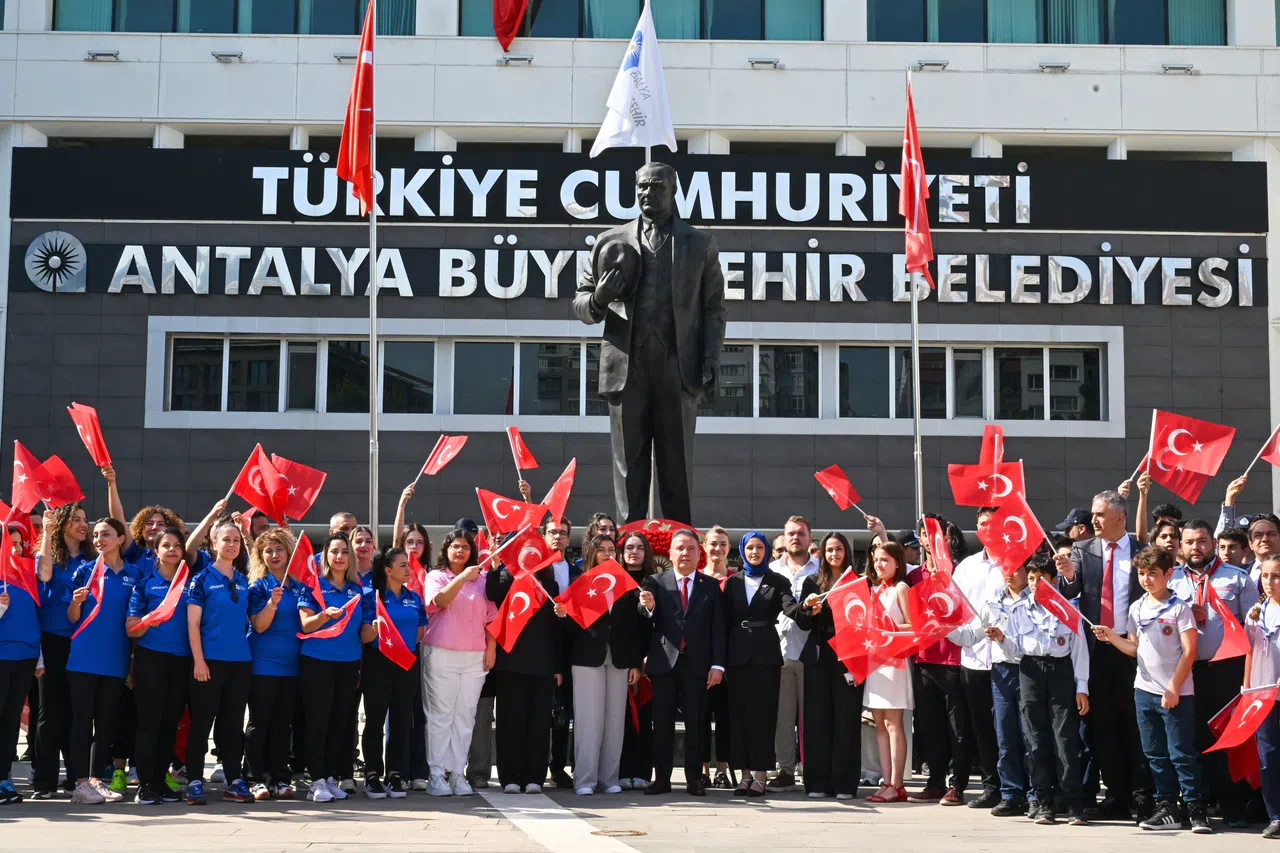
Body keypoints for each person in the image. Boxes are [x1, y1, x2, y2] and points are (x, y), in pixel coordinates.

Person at [1092, 546, 1209, 833]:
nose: (1146, 579)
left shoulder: (1180, 608)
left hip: (1176, 692)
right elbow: (1133, 648)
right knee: (1155, 754)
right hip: (1143, 691)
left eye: (1152, 574)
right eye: (1142, 574)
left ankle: (1196, 809)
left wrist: (1173, 688)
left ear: (1168, 574)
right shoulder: (1137, 607)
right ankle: (1167, 807)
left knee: (1181, 753)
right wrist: (1110, 638)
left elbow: (1189, 651)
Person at [1057, 490, 1153, 821]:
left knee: (1136, 725)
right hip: (1097, 650)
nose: (1092, 520)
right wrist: (1068, 573)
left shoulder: (1141, 551)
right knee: (1104, 726)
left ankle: (1142, 795)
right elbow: (1070, 590)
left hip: (1133, 650)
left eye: (1099, 514)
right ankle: (1115, 794)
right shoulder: (1083, 550)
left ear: (1120, 517)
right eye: (1093, 514)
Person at [1168, 519, 1257, 828]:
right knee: (1191, 738)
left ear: (1212, 542)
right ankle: (1198, 804)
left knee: (1227, 738)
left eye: (1202, 541)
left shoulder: (1238, 578)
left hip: (1226, 670)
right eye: (1190, 542)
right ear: (1181, 545)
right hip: (1187, 670)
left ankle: (1232, 805)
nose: (1196, 547)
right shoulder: (1172, 580)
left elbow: (1252, 627)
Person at [637, 529, 725, 796]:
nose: (685, 553)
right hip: (664, 664)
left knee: (696, 723)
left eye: (690, 548)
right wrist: (648, 607)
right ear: (670, 553)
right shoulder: (655, 581)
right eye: (680, 548)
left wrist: (718, 665)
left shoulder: (709, 585)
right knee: (661, 722)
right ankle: (661, 777)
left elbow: (718, 628)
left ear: (699, 553)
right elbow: (646, 620)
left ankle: (694, 778)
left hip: (698, 665)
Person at [64, 518, 141, 804]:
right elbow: (71, 618)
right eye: (95, 535)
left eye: (106, 534)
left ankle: (96, 780)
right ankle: (79, 783)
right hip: (83, 658)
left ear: (121, 539)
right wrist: (76, 602)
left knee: (106, 723)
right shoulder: (84, 571)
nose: (99, 539)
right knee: (82, 722)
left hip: (115, 659)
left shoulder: (134, 575)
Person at [951, 549, 1032, 818]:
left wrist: (1004, 640)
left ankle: (1037, 794)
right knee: (1005, 733)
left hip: (1029, 671)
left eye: (1016, 569)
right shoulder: (992, 604)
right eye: (1006, 570)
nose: (1010, 575)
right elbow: (970, 635)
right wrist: (942, 628)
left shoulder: (1037, 603)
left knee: (1030, 735)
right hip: (1000, 672)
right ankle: (1010, 793)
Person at [183, 512, 253, 805]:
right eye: (226, 539)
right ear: (213, 543)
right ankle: (195, 780)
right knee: (201, 723)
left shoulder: (243, 580)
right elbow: (192, 624)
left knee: (232, 724)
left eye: (236, 540)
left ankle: (234, 779)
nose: (232, 544)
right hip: (209, 662)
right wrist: (199, 661)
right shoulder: (201, 579)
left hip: (240, 662)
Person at [563, 534, 641, 796]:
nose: (608, 554)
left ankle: (609, 779)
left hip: (618, 660)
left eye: (611, 550)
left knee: (614, 721)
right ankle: (585, 780)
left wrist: (634, 664)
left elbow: (632, 628)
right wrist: (563, 615)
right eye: (602, 550)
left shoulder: (625, 585)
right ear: (592, 553)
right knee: (588, 721)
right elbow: (570, 627)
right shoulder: (580, 583)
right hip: (587, 658)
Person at [1016, 552, 1090, 826]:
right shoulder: (1019, 609)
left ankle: (1073, 803)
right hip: (1030, 670)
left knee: (1065, 738)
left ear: (1055, 580)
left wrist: (1082, 687)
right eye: (1032, 579)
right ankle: (1044, 801)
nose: (1035, 584)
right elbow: (1013, 649)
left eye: (1041, 579)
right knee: (1036, 739)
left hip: (1060, 671)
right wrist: (1000, 639)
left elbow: (1079, 651)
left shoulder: (1069, 610)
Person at [487, 532, 563, 796]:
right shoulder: (508, 580)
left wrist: (557, 666)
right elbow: (491, 592)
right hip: (511, 662)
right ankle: (510, 777)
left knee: (539, 723)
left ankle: (534, 778)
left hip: (542, 664)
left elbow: (556, 631)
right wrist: (496, 564)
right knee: (510, 721)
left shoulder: (550, 587)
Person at [723, 531, 797, 799]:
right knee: (739, 716)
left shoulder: (778, 581)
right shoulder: (733, 582)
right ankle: (744, 776)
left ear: (767, 550)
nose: (755, 552)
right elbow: (723, 621)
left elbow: (793, 610)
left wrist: (810, 607)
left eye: (759, 547)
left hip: (766, 656)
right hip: (737, 657)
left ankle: (761, 775)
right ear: (743, 551)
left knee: (764, 717)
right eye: (750, 548)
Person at [298, 532, 370, 804]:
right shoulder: (314, 585)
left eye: (343, 552)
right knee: (318, 722)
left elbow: (363, 631)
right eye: (334, 552)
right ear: (325, 556)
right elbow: (305, 625)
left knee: (340, 723)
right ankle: (315, 780)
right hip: (317, 661)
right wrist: (323, 616)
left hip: (349, 663)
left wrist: (374, 629)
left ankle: (329, 777)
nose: (339, 557)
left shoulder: (356, 587)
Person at [421, 529, 494, 797]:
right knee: (441, 716)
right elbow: (439, 601)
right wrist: (462, 577)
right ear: (446, 549)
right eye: (455, 546)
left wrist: (491, 647)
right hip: (441, 652)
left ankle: (456, 773)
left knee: (465, 717)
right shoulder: (436, 576)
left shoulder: (482, 580)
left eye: (465, 547)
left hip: (474, 656)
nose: (461, 551)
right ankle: (436, 774)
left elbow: (490, 618)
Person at [908, 513, 971, 806]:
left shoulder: (962, 572)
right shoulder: (913, 576)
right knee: (929, 725)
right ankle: (934, 781)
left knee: (957, 727)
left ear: (947, 536)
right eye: (925, 533)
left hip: (955, 659)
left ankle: (957, 783)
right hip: (923, 659)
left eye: (937, 532)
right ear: (920, 539)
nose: (931, 538)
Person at [33, 504, 94, 799]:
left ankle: (75, 779)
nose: (84, 525)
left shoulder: (92, 559)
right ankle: (44, 781)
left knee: (79, 712)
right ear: (63, 525)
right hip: (53, 640)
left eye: (86, 520)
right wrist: (45, 531)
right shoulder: (49, 557)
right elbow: (43, 576)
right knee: (50, 712)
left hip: (83, 641)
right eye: (77, 520)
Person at [126, 526, 190, 805]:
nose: (173, 549)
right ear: (157, 551)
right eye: (167, 545)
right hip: (151, 659)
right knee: (149, 724)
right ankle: (145, 785)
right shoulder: (145, 584)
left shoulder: (191, 583)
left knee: (169, 724)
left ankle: (161, 781)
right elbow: (131, 628)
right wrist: (149, 619)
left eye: (178, 545)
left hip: (182, 661)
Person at [795, 532, 862, 800]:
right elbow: (803, 622)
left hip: (848, 657)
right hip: (818, 657)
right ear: (823, 553)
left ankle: (845, 783)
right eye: (830, 550)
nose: (834, 554)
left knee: (846, 721)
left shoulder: (857, 582)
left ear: (846, 551)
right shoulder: (813, 582)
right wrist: (809, 609)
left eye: (839, 549)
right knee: (816, 720)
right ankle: (818, 783)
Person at [947, 507, 1005, 810]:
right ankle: (991, 786)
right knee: (982, 727)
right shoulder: (967, 567)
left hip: (1006, 657)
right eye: (982, 524)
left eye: (992, 524)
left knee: (1009, 727)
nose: (986, 528)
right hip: (972, 658)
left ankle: (1016, 788)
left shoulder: (1012, 563)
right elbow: (953, 609)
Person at [359, 547, 427, 800]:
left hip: (406, 663)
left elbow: (420, 633)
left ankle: (395, 774)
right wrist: (375, 629)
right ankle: (372, 774)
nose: (409, 569)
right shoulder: (371, 598)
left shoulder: (414, 597)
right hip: (378, 663)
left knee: (401, 720)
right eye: (402, 565)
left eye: (408, 565)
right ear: (388, 571)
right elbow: (365, 636)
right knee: (375, 720)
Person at [244, 527, 303, 801]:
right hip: (262, 665)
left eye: (279, 549)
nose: (274, 555)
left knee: (283, 724)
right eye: (268, 550)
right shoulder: (257, 588)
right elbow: (259, 625)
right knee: (259, 724)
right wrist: (271, 603)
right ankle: (254, 777)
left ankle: (281, 777)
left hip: (292, 666)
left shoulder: (300, 587)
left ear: (288, 552)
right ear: (261, 556)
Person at [768, 515, 817, 792]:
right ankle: (785, 770)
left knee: (812, 717)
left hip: (813, 654)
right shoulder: (771, 571)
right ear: (784, 539)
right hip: (779, 653)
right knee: (782, 718)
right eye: (790, 534)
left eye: (800, 533)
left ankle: (812, 768)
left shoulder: (820, 570)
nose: (795, 538)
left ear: (810, 538)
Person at [862, 541, 913, 805]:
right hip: (876, 663)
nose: (879, 564)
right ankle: (886, 781)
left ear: (897, 563)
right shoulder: (872, 591)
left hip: (895, 662)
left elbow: (913, 625)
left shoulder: (900, 589)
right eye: (877, 560)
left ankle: (898, 784)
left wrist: (888, 629)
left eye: (885, 560)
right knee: (879, 724)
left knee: (894, 724)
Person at [0, 516, 41, 805]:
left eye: (18, 544)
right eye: (8, 544)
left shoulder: (27, 576)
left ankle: (4, 778)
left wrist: (39, 658)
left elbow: (35, 618)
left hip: (25, 657)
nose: (14, 549)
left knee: (10, 721)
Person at [539, 516, 577, 790]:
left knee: (564, 713)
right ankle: (538, 765)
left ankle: (559, 767)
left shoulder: (578, 571)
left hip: (573, 648)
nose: (558, 537)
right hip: (544, 648)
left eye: (563, 533)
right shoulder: (538, 571)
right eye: (552, 532)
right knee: (544, 712)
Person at [617, 531, 657, 790]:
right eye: (629, 547)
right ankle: (621, 771)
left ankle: (642, 770)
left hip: (647, 662)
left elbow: (659, 624)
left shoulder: (655, 582)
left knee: (643, 718)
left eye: (639, 547)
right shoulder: (614, 580)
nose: (634, 552)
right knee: (620, 720)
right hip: (619, 659)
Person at [1244, 556, 1280, 839]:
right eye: (1266, 576)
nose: (1270, 582)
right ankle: (1276, 816)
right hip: (1263, 694)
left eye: (1277, 576)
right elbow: (1249, 651)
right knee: (1267, 756)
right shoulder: (1256, 612)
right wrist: (1246, 688)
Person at [700, 525, 733, 788]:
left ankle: (722, 768)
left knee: (725, 716)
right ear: (704, 547)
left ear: (729, 549)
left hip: (731, 660)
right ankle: (702, 769)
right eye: (712, 543)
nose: (717, 549)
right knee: (700, 715)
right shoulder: (697, 579)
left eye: (722, 544)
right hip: (701, 659)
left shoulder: (737, 580)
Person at [125, 505, 184, 576]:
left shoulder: (178, 553)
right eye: (149, 523)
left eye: (161, 524)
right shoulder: (134, 552)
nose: (155, 527)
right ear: (140, 528)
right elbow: (118, 516)